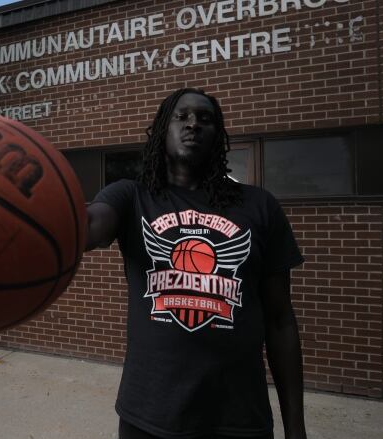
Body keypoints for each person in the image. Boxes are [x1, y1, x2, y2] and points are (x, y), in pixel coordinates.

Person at [84, 88, 307, 439]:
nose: (193, 124)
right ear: (162, 129)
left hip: (238, 418)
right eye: (182, 116)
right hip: (148, 416)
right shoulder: (132, 196)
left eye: (206, 119)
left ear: (219, 136)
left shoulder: (259, 205)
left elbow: (280, 322)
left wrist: (296, 429)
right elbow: (90, 227)